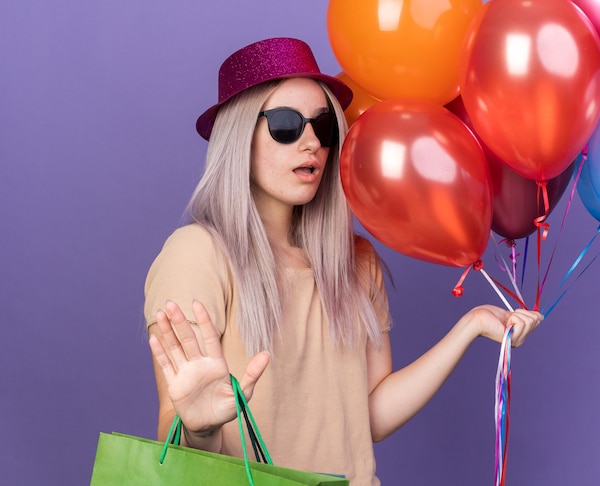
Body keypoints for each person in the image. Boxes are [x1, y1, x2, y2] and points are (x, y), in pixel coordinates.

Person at [144, 37, 542, 485]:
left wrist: (467, 328)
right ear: (239, 137)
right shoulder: (197, 254)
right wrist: (200, 427)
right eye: (286, 125)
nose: (311, 141)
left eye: (324, 126)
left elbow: (368, 416)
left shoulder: (355, 261)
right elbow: (176, 447)